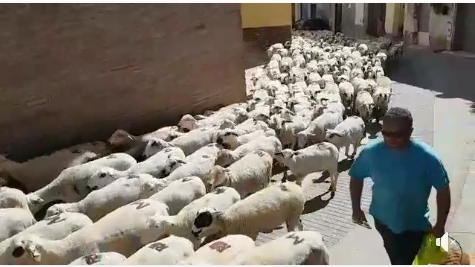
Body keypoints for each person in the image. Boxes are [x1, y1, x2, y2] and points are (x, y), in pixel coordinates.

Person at [348, 107, 451, 265]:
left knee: (408, 258)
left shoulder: (428, 158)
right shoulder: (371, 152)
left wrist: (440, 226)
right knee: (396, 255)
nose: (391, 139)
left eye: (397, 134)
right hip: (383, 221)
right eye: (386, 134)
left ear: (410, 131)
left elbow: (443, 190)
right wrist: (356, 208)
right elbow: (356, 176)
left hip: (415, 225)